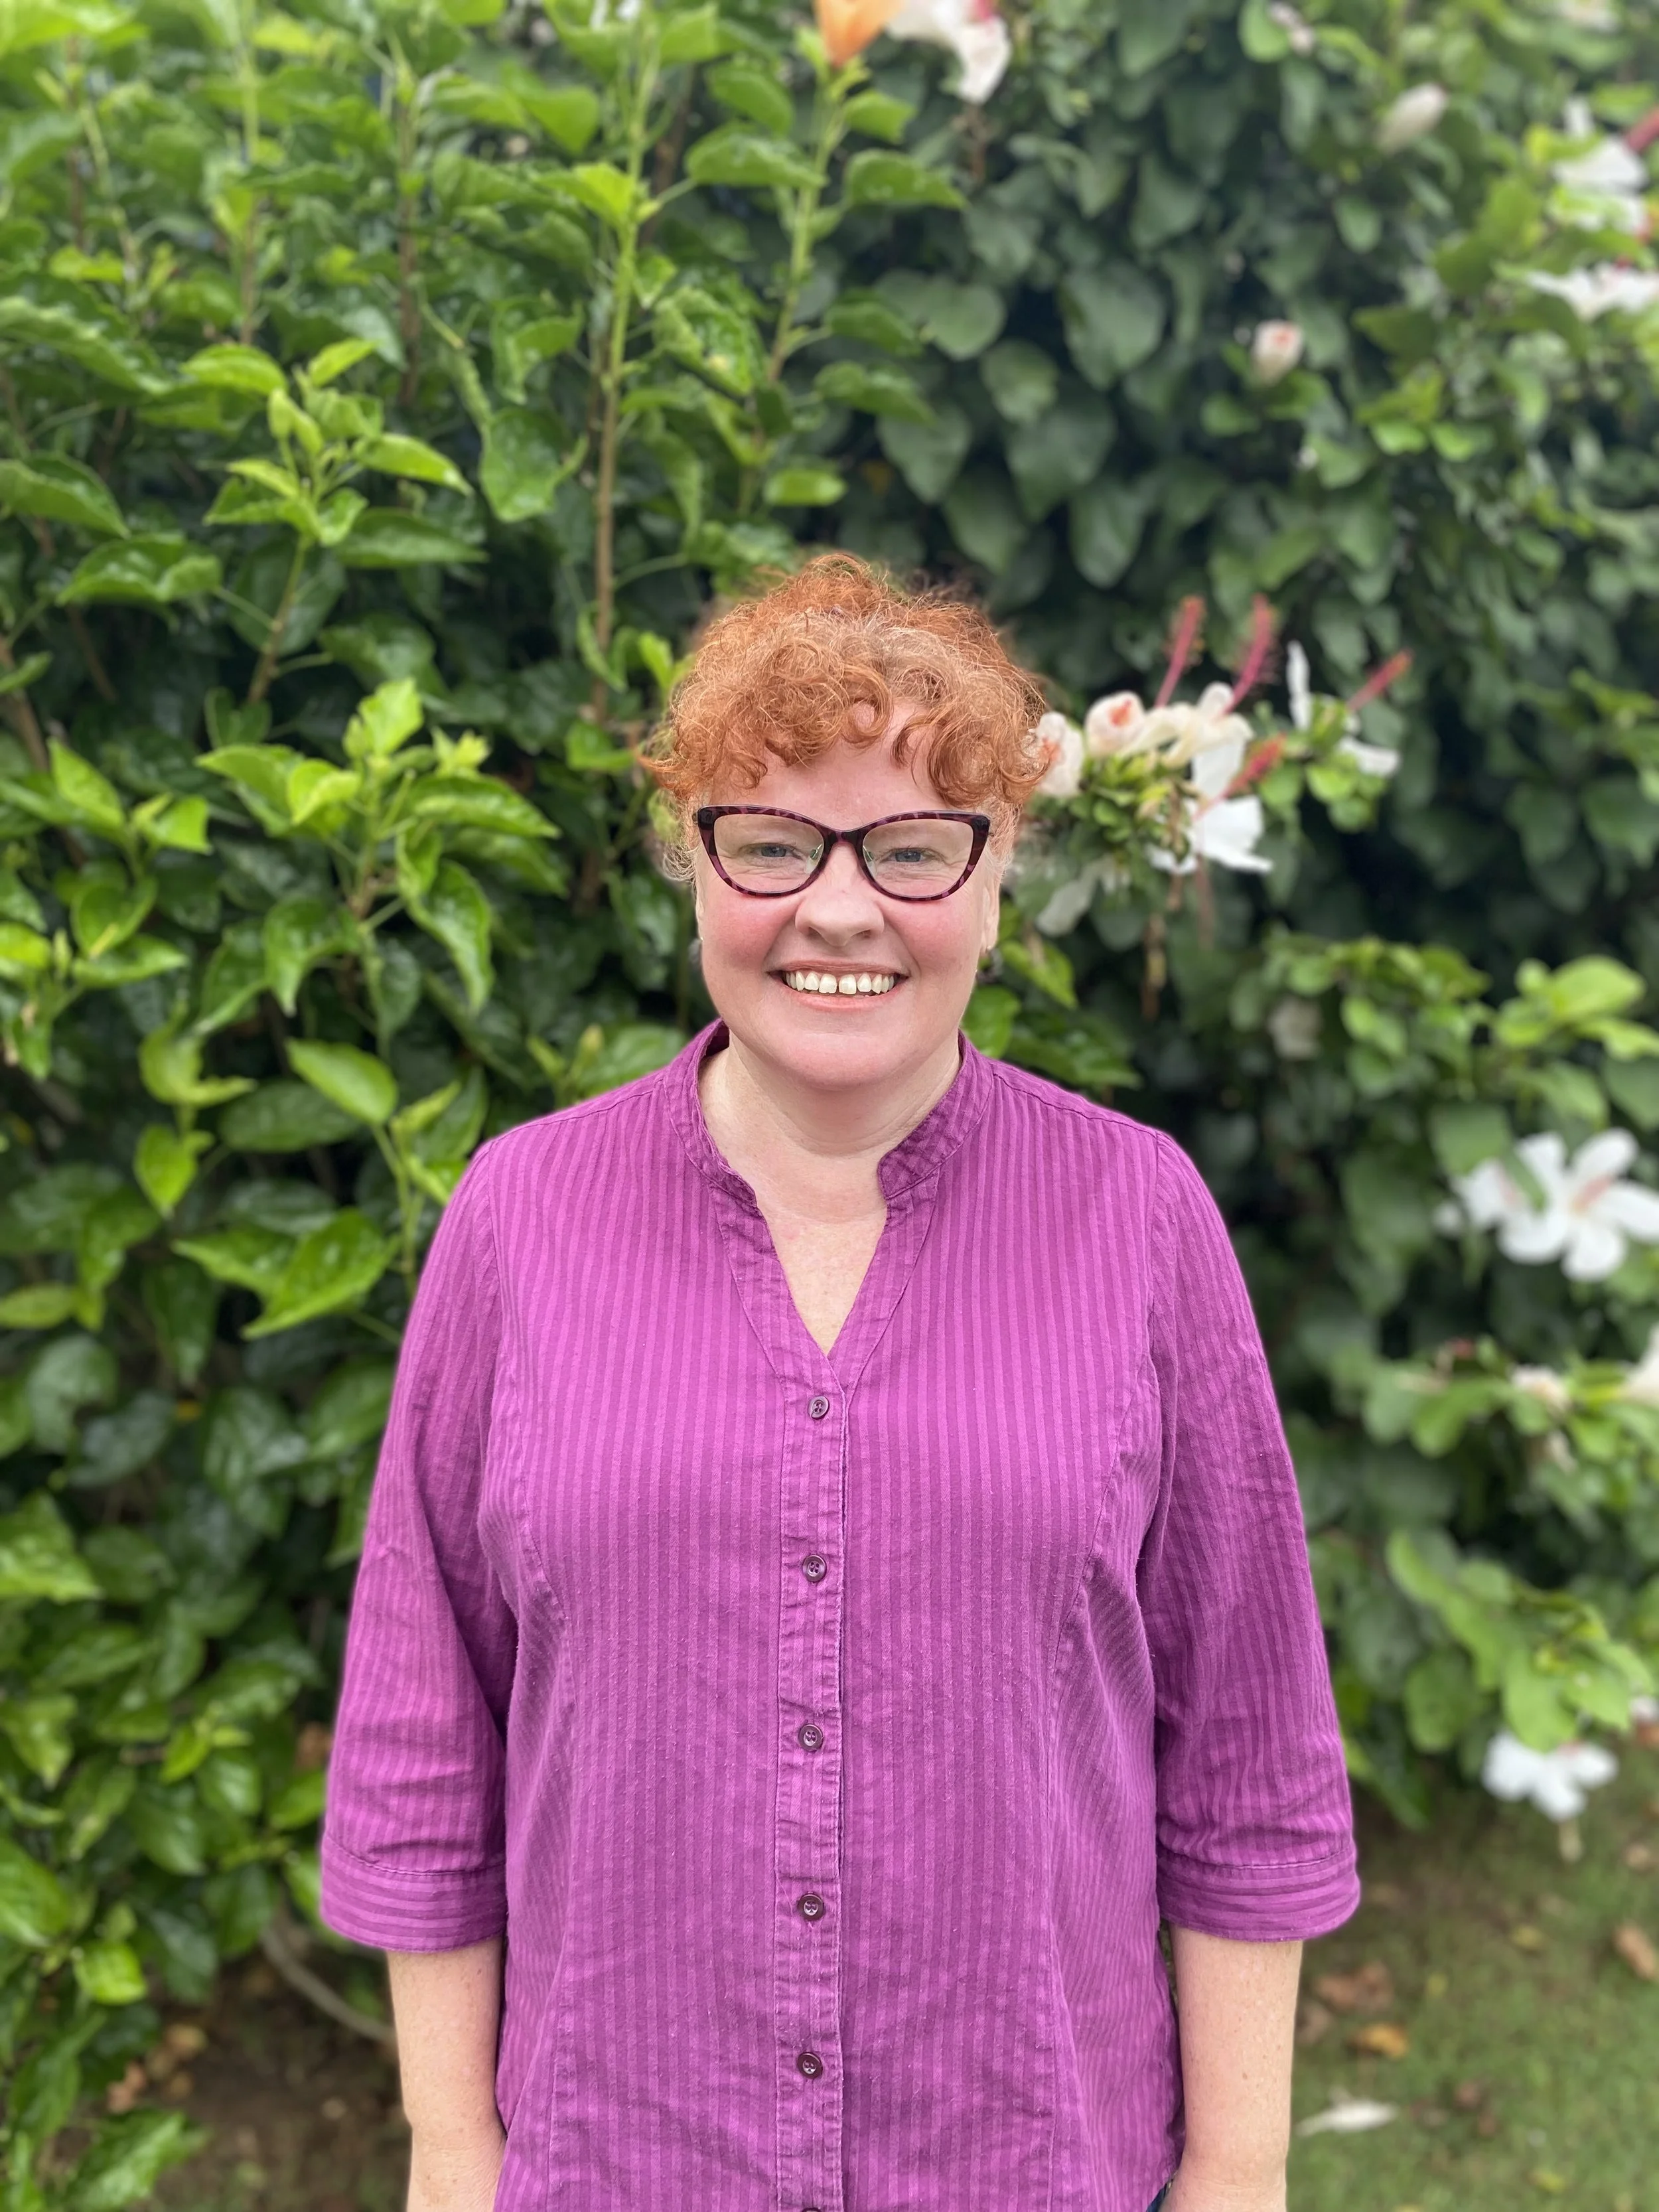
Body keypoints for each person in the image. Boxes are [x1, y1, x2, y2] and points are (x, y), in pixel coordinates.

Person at [320, 555, 1358, 2212]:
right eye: (773, 839)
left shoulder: (1139, 1216)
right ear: (693, 865)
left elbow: (1242, 1738)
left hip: (1026, 2154)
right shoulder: (517, 1218)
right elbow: (422, 1725)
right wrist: (453, 2149)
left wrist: (1237, 2169)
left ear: (998, 866)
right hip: (618, 2160)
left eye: (912, 844)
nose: (839, 905)